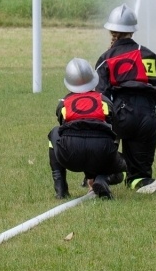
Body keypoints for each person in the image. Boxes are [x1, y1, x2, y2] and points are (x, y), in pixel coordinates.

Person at [94, 4, 156, 194]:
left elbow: (100, 98)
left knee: (104, 139)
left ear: (111, 30)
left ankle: (104, 174)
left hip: (121, 115)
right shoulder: (151, 56)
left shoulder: (106, 58)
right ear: (133, 30)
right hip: (148, 117)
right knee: (139, 173)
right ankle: (141, 181)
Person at [47, 58, 127, 200]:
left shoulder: (63, 104)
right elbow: (114, 131)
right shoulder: (105, 101)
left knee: (54, 133)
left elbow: (65, 129)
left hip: (71, 154)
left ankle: (61, 190)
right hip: (102, 151)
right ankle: (102, 179)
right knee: (121, 169)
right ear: (93, 79)